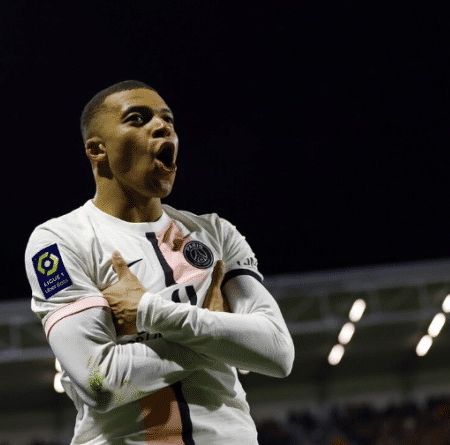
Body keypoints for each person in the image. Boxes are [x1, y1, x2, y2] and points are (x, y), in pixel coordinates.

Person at [24, 80, 294, 444]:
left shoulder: (216, 232)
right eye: (137, 118)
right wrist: (217, 334)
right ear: (97, 150)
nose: (162, 126)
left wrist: (150, 312)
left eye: (168, 119)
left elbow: (277, 352)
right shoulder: (59, 241)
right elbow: (101, 383)